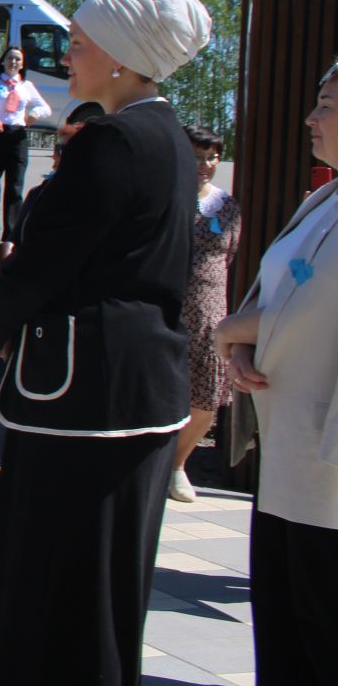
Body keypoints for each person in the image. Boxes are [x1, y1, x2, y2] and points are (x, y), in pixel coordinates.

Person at [0, 0, 215, 686]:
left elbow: (52, 256)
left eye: (80, 42)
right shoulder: (168, 136)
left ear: (124, 58)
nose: (67, 55)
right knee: (107, 581)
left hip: (86, 397)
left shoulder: (113, 139)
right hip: (140, 391)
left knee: (52, 580)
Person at [214, 60, 338, 685]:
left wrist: (236, 331)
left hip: (329, 467)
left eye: (328, 105)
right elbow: (287, 291)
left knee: (321, 629)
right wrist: (241, 345)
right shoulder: (325, 195)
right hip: (289, 450)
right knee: (286, 627)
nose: (311, 118)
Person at [169, 124, 238, 503]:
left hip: (211, 312)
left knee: (206, 397)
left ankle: (178, 464)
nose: (205, 164)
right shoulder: (168, 197)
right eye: (197, 156)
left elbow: (230, 253)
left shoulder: (227, 205)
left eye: (211, 157)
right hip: (169, 307)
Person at [6, 99, 105, 250]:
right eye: (54, 149)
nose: (53, 156)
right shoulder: (39, 193)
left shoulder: (98, 199)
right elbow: (18, 240)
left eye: (59, 150)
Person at [0, 46, 53, 242]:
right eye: (10, 58)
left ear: (22, 64)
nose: (13, 62)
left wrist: (34, 115)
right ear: (3, 61)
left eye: (17, 60)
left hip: (17, 137)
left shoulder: (26, 86)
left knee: (15, 188)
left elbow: (44, 107)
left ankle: (11, 235)